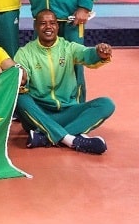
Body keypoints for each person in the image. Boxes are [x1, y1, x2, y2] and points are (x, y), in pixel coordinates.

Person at [14, 10, 114, 154]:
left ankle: (46, 138)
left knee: (106, 104)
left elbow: (87, 54)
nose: (48, 27)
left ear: (58, 27)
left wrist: (98, 54)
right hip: (39, 115)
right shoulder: (24, 53)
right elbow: (21, 76)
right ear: (35, 26)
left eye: (52, 23)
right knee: (20, 98)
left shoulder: (68, 48)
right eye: (43, 23)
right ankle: (71, 139)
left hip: (67, 112)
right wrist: (21, 78)